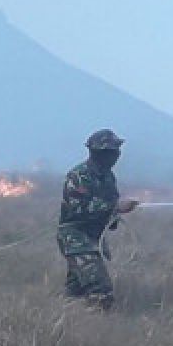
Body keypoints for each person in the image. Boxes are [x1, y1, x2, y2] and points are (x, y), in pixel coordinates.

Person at [57, 129, 140, 310]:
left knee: (75, 292)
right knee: (100, 291)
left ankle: (62, 322)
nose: (116, 156)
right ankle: (95, 330)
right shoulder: (78, 176)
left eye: (117, 151)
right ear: (98, 153)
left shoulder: (108, 178)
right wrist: (116, 207)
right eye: (112, 152)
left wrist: (117, 211)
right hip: (75, 239)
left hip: (93, 240)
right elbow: (78, 210)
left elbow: (109, 212)